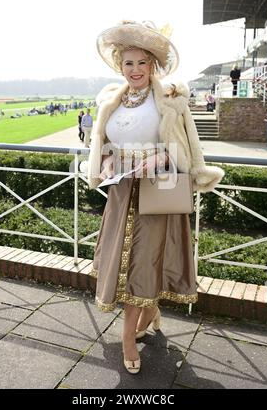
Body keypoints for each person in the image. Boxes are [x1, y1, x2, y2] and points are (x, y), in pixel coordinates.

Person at [85, 20, 224, 375]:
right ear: (120, 66)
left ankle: (128, 338)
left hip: (158, 189)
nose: (135, 70)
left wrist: (162, 156)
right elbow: (99, 142)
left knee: (144, 263)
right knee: (125, 264)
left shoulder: (170, 99)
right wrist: (106, 158)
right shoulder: (110, 101)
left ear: (153, 65)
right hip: (121, 191)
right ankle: (150, 310)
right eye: (128, 63)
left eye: (142, 63)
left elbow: (187, 145)